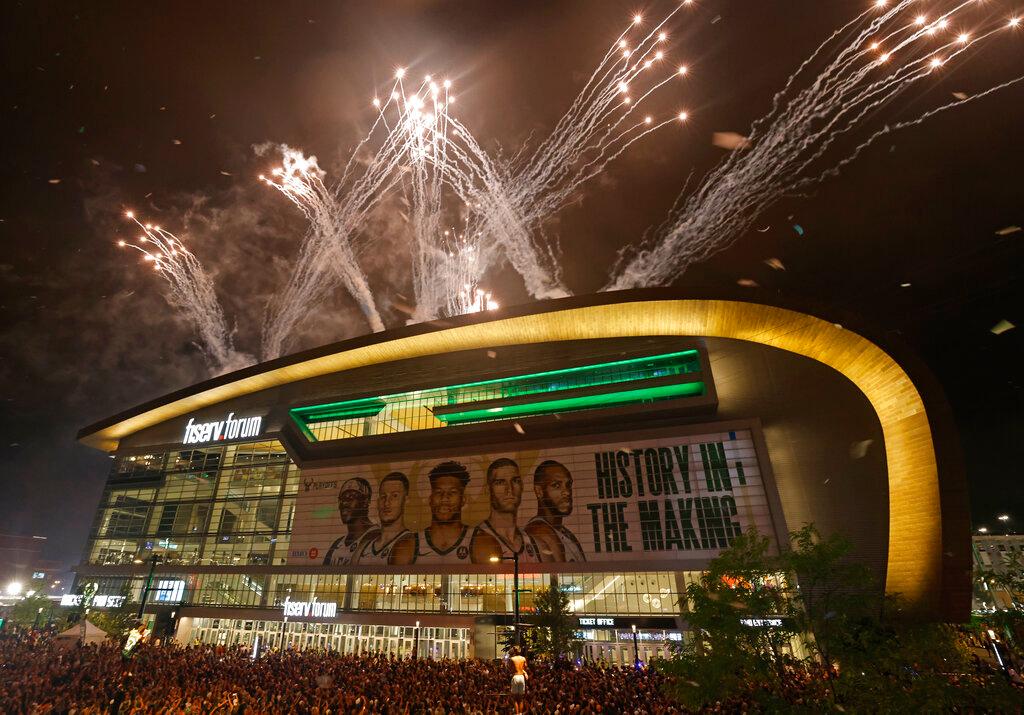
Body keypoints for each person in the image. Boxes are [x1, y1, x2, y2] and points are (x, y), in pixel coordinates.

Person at [391, 462, 473, 565]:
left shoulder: (480, 543)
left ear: (463, 500)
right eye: (438, 492)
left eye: (452, 492)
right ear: (430, 499)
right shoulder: (407, 546)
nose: (444, 498)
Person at [471, 458, 539, 563]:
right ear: (488, 490)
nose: (509, 489)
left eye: (515, 481)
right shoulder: (481, 539)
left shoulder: (529, 540)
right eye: (500, 482)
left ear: (522, 486)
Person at [524, 460, 586, 562]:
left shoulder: (564, 533)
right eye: (556, 485)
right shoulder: (541, 532)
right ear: (539, 491)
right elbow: (559, 575)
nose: (566, 492)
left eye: (568, 485)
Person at [352, 472, 413, 565]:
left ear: (406, 501)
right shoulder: (365, 543)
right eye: (383, 496)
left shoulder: (408, 543)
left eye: (394, 496)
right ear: (377, 502)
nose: (387, 503)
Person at [323, 478, 377, 566]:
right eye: (342, 498)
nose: (344, 503)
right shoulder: (337, 545)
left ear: (365, 502)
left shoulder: (378, 537)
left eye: (351, 497)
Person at [510, 646, 528, 714]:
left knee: (515, 699)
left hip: (515, 676)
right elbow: (525, 666)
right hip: (521, 677)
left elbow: (510, 668)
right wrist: (524, 671)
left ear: (514, 651)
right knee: (520, 699)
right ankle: (520, 713)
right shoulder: (523, 658)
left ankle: (517, 713)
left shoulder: (512, 659)